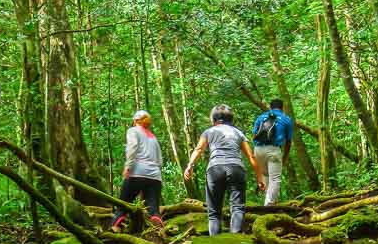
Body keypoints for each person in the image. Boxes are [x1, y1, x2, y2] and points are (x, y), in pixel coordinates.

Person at [184, 105, 265, 235]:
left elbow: (199, 149)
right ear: (230, 119)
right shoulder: (238, 133)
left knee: (214, 212)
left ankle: (216, 243)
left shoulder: (209, 132)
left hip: (215, 168)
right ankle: (236, 238)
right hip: (236, 168)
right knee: (238, 207)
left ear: (213, 119)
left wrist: (190, 165)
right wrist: (259, 177)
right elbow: (251, 156)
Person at [111, 110, 164, 232]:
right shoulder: (153, 137)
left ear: (136, 121)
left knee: (123, 203)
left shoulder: (133, 131)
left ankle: (116, 228)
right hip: (155, 176)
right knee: (153, 208)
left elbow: (132, 148)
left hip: (137, 173)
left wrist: (128, 166)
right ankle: (157, 232)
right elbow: (160, 159)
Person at [252, 98, 293, 206]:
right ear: (282, 108)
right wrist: (285, 156)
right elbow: (288, 141)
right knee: (275, 178)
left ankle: (269, 202)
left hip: (258, 149)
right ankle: (269, 205)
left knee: (265, 175)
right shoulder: (286, 119)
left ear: (270, 107)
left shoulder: (261, 117)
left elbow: (254, 135)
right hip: (273, 150)